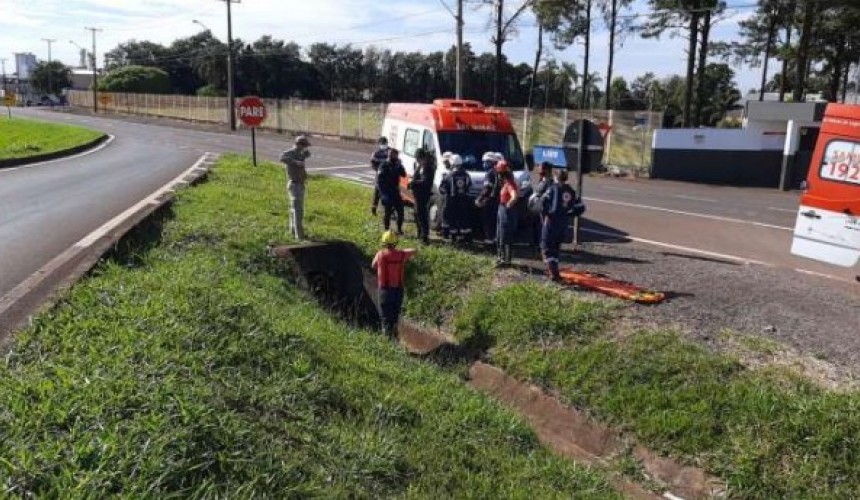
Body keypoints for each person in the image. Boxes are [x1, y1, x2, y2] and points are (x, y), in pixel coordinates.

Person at [371, 230, 417, 338]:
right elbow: (414, 250)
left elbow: (373, 265)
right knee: (394, 318)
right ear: (395, 243)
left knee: (385, 320)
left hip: (385, 292)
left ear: (384, 242)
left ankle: (388, 344)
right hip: (398, 292)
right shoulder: (402, 254)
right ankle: (395, 339)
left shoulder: (380, 254)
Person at [541, 169, 579, 281]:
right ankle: (555, 270)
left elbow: (543, 202)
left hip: (552, 221)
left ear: (556, 177)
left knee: (546, 246)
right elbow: (578, 206)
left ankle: (553, 273)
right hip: (563, 222)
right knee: (556, 247)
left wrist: (544, 213)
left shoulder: (553, 188)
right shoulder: (571, 191)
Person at [279, 135, 312, 240]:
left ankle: (293, 231)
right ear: (299, 145)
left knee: (294, 209)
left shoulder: (300, 153)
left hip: (300, 184)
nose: (306, 148)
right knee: (298, 210)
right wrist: (296, 162)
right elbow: (282, 158)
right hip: (295, 184)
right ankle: (299, 235)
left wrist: (303, 155)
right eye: (304, 146)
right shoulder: (291, 153)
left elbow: (308, 155)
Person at [439, 154, 473, 242]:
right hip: (464, 200)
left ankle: (452, 236)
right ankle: (465, 236)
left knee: (450, 218)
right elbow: (469, 185)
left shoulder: (449, 175)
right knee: (464, 218)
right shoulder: (466, 174)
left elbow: (443, 188)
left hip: (451, 200)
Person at [376, 148, 407, 234]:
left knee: (401, 212)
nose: (393, 156)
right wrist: (383, 194)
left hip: (396, 192)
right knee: (387, 213)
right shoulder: (384, 165)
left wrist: (400, 165)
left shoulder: (397, 164)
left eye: (395, 155)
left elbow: (403, 174)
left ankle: (399, 229)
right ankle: (386, 230)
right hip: (387, 192)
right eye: (392, 154)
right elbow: (379, 180)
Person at [409, 148, 437, 244]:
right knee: (417, 214)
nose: (417, 160)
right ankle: (420, 233)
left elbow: (425, 181)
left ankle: (424, 236)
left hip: (423, 194)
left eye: (418, 158)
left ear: (422, 157)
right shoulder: (422, 165)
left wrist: (414, 183)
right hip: (418, 194)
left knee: (422, 215)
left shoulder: (427, 167)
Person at [495, 160, 520, 267]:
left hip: (506, 210)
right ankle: (503, 258)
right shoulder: (506, 183)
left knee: (504, 234)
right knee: (500, 233)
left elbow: (514, 196)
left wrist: (509, 204)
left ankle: (505, 260)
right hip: (503, 209)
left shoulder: (509, 184)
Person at [475, 152, 501, 243]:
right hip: (497, 200)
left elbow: (487, 188)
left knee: (487, 220)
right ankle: (495, 238)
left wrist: (479, 199)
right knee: (495, 220)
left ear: (490, 162)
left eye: (485, 162)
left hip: (489, 200)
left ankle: (489, 239)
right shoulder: (497, 172)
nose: (484, 164)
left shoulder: (489, 173)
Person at [370, 137, 390, 216]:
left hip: (388, 176)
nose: (384, 145)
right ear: (379, 144)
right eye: (382, 144)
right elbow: (373, 163)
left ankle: (387, 211)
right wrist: (378, 169)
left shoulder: (389, 151)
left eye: (385, 143)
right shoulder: (376, 153)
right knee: (377, 194)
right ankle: (373, 209)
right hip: (380, 176)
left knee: (387, 194)